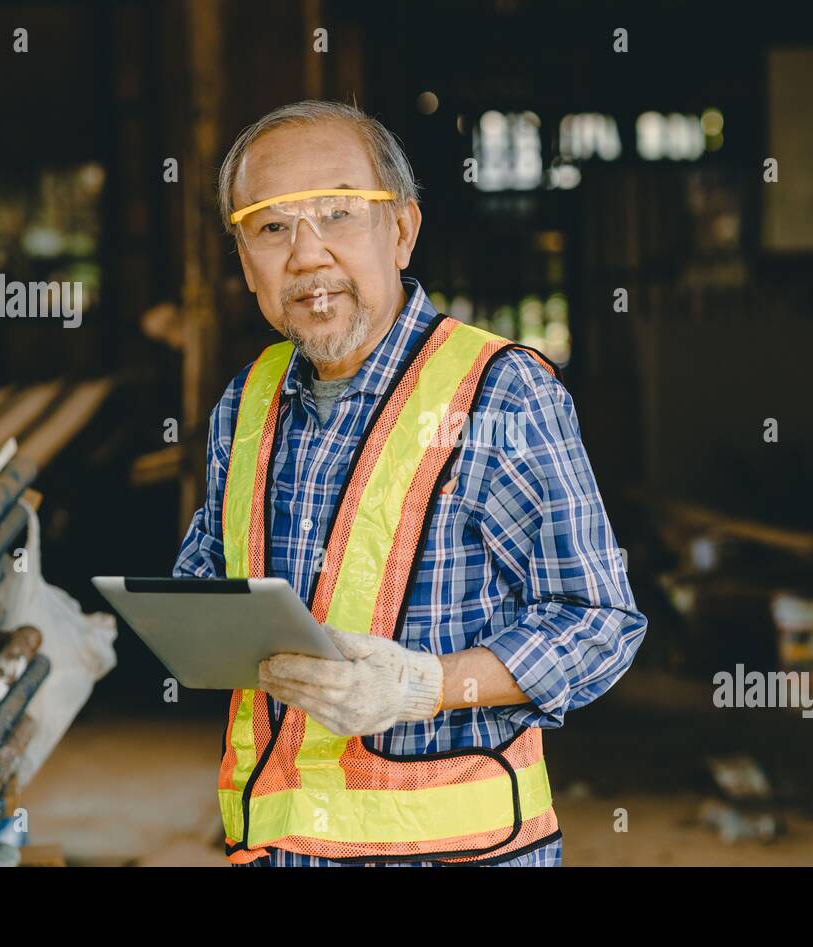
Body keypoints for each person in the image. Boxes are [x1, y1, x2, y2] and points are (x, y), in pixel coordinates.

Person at [174, 99, 646, 867]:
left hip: (458, 853)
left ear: (401, 231)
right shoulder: (248, 399)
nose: (307, 256)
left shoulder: (499, 393)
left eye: (338, 214)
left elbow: (598, 625)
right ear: (243, 258)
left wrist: (424, 685)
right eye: (271, 227)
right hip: (278, 850)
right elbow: (208, 579)